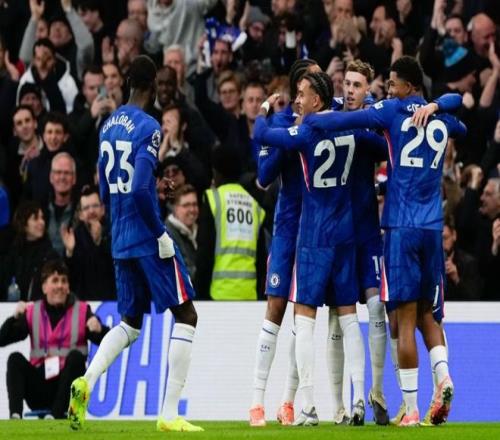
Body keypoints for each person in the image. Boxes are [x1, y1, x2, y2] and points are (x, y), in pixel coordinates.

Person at [304, 56, 467, 426]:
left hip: (400, 228)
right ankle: (443, 377)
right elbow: (463, 121)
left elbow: (343, 121)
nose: (389, 90)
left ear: (408, 85)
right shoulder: (441, 119)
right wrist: (437, 106)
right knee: (429, 313)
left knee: (403, 318)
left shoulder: (392, 110)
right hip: (433, 229)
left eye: (393, 83)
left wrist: (310, 120)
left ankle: (410, 409)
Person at [67, 55, 203, 433]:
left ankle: (86, 381)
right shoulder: (149, 126)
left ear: (127, 84)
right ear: (152, 85)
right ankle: (169, 414)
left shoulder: (108, 126)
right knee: (187, 316)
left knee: (130, 323)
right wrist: (160, 234)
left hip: (121, 237)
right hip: (146, 235)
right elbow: (140, 186)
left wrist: (128, 207)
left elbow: (107, 186)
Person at [254, 71, 386, 427]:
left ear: (317, 99)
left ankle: (309, 406)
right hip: (346, 235)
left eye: (303, 94)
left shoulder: (308, 130)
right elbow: (382, 146)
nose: (298, 100)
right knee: (349, 318)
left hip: (313, 236)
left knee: (305, 320)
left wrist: (265, 109)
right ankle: (358, 399)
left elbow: (262, 135)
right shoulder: (351, 127)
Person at [249, 58, 320, 427]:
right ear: (300, 89)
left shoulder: (328, 122)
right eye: (315, 79)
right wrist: (285, 136)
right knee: (275, 308)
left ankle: (288, 401)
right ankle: (256, 401)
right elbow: (263, 177)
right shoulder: (279, 123)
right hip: (288, 226)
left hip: (317, 232)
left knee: (302, 317)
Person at [0, 259, 108, 419]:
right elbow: (2, 339)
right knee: (14, 359)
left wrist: (100, 329)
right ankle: (15, 416)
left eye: (64, 281)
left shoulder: (83, 311)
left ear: (68, 286)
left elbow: (108, 343)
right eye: (55, 280)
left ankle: (55, 415)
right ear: (44, 287)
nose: (60, 286)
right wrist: (13, 318)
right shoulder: (32, 312)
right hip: (40, 388)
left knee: (76, 358)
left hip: (68, 392)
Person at [194, 145, 266, 301]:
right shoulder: (253, 204)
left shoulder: (214, 199)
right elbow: (261, 258)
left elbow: (204, 252)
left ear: (215, 172)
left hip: (218, 294)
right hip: (249, 295)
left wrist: (199, 295)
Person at [60, 185, 115, 301]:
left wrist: (99, 242)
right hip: (82, 303)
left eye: (95, 206)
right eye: (86, 208)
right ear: (80, 215)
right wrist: (69, 252)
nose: (91, 211)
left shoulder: (114, 233)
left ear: (103, 209)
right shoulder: (74, 237)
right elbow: (70, 277)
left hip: (111, 302)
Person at [165, 184, 199, 280]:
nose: (192, 209)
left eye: (194, 204)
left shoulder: (199, 231)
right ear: (176, 208)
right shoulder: (168, 235)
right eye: (186, 205)